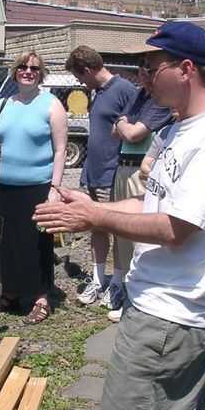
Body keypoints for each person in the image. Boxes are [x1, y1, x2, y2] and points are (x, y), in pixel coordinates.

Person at [34, 21, 205, 410]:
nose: (143, 80)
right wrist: (88, 208)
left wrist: (95, 216)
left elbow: (175, 229)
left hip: (169, 318)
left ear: (186, 69)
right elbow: (153, 205)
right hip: (170, 311)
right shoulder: (182, 129)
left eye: (151, 69)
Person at [0, 52, 68, 325]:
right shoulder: (4, 104)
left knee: (35, 243)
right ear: (15, 72)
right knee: (6, 242)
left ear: (41, 74)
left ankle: (40, 298)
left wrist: (55, 188)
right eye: (24, 67)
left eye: (35, 68)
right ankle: (12, 292)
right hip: (4, 186)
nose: (29, 72)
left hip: (37, 186)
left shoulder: (51, 105)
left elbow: (61, 150)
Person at [64, 45, 136, 306]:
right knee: (96, 226)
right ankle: (97, 279)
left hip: (112, 171)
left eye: (79, 77)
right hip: (93, 171)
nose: (79, 82)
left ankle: (117, 282)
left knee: (115, 228)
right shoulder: (98, 91)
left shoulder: (124, 90)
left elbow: (137, 129)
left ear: (87, 70)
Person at [105, 79, 172, 318]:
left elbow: (132, 134)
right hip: (124, 167)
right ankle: (125, 294)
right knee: (122, 236)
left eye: (150, 68)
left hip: (140, 171)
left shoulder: (160, 100)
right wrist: (125, 124)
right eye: (142, 66)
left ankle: (137, 301)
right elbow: (115, 132)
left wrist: (125, 122)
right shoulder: (139, 95)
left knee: (139, 238)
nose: (144, 73)